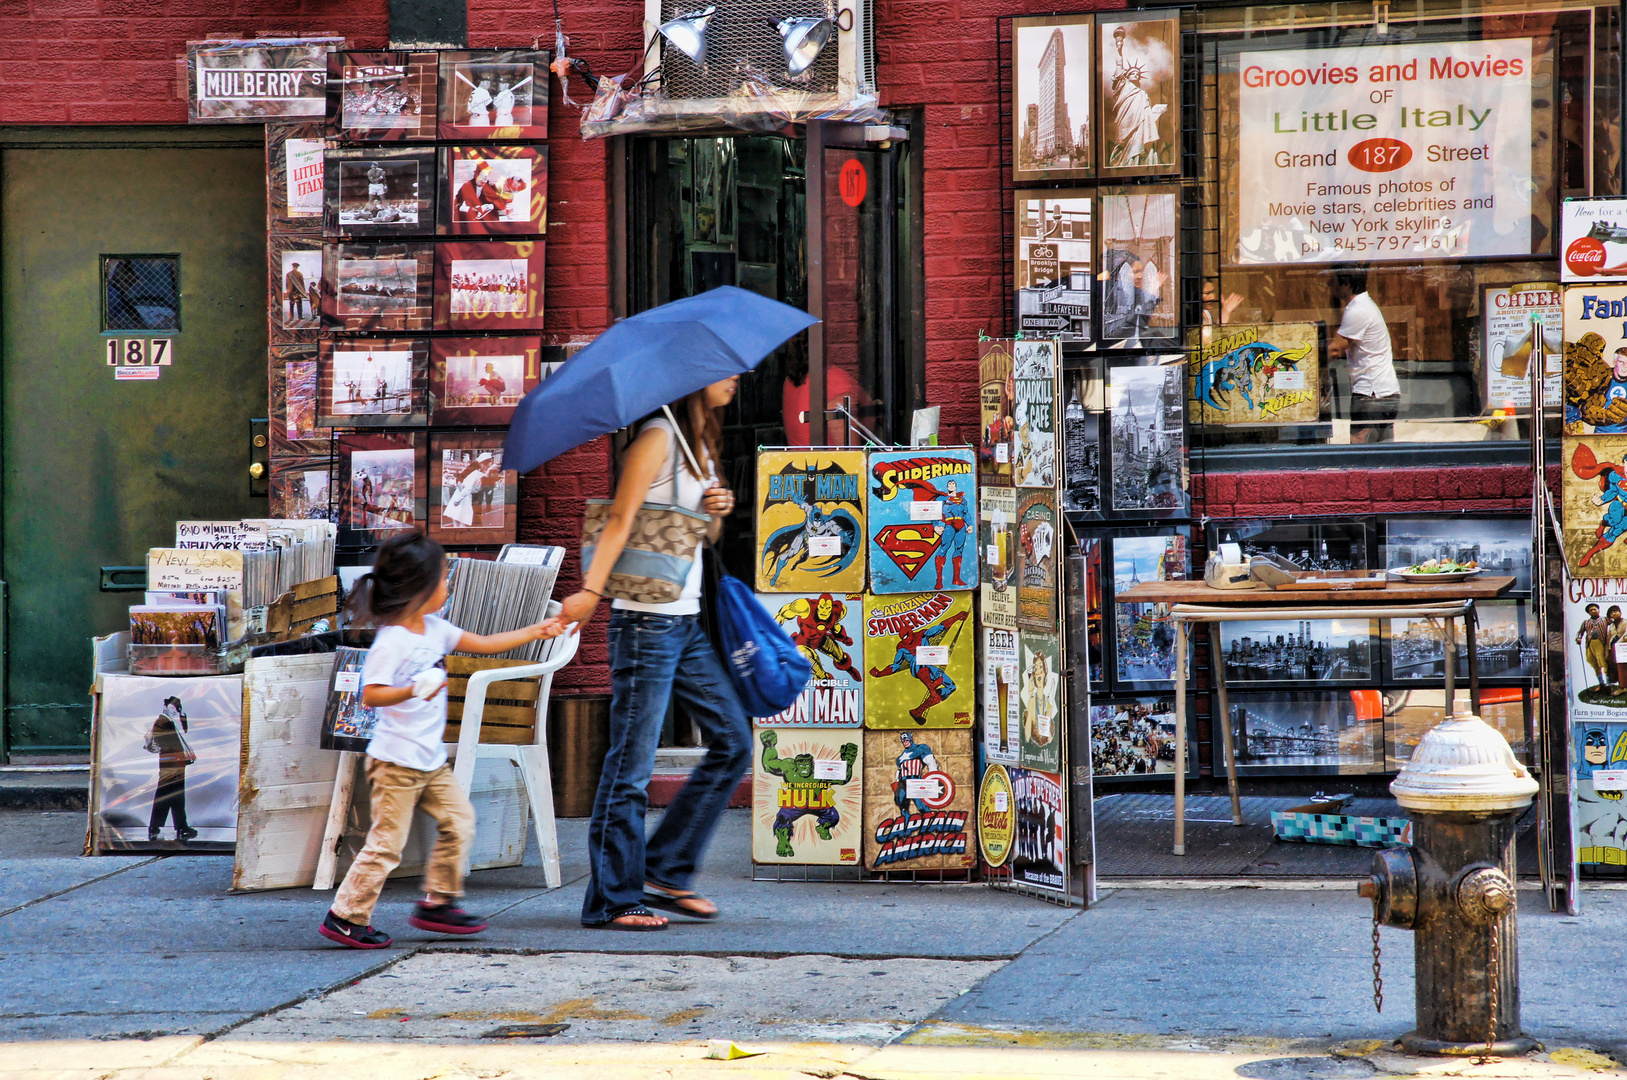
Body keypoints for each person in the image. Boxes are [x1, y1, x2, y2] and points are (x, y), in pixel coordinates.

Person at [546, 377, 748, 931]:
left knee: (733, 740)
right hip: (645, 623)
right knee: (631, 764)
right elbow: (620, 519)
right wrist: (590, 590)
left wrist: (718, 508)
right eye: (724, 370)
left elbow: (698, 537)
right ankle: (611, 898)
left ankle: (665, 869)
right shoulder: (656, 438)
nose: (734, 379)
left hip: (683, 621)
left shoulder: (700, 442)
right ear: (692, 378)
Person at [318, 531, 558, 949]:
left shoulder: (435, 629)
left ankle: (438, 902)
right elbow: (371, 695)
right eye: (444, 579)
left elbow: (483, 644)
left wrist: (536, 631)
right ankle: (345, 916)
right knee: (386, 845)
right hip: (395, 763)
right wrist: (413, 688)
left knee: (460, 821)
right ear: (420, 588)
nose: (449, 586)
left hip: (428, 761)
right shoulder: (392, 641)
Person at [1325, 265, 1401, 443]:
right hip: (1387, 391)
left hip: (1371, 393)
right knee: (1383, 460)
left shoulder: (1358, 310)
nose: (1329, 285)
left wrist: (1303, 362)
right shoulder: (1366, 306)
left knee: (1361, 456)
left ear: (1346, 284)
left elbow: (1335, 349)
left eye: (1333, 281)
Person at [1108, 24, 1168, 167]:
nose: (1135, 74)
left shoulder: (1142, 93)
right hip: (1125, 122)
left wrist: (1157, 111)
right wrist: (1119, 46)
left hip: (1139, 125)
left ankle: (1135, 164)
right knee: (1122, 145)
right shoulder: (1123, 85)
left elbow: (1147, 116)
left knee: (1137, 146)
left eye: (1137, 73)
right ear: (1127, 76)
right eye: (1132, 73)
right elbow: (1119, 64)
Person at [146, 696, 197, 842]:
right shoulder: (162, 722)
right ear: (166, 707)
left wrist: (182, 717)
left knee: (176, 797)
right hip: (171, 765)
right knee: (165, 796)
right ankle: (155, 827)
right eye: (173, 708)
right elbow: (169, 745)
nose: (175, 711)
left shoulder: (170, 722)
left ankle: (181, 827)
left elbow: (185, 732)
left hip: (175, 765)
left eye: (177, 709)